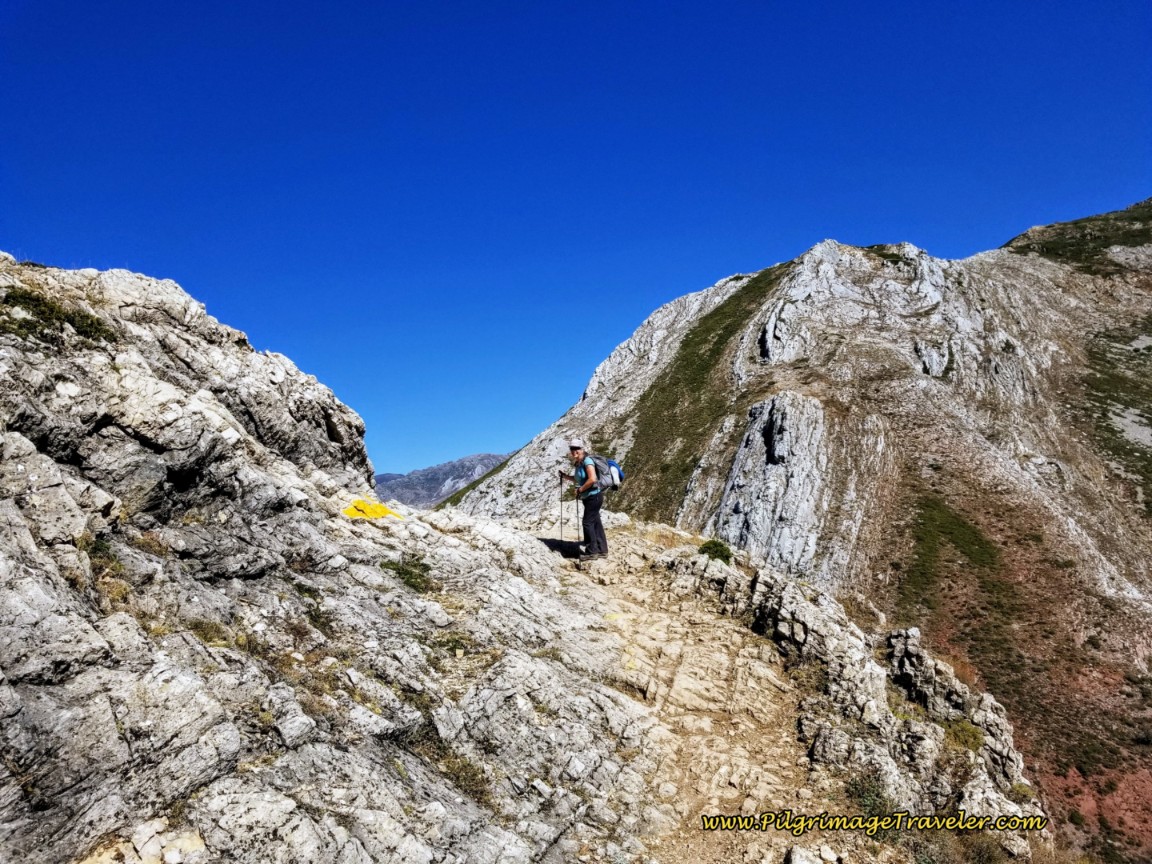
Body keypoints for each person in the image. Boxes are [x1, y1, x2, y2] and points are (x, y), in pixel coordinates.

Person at [559, 438, 608, 561]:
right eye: (572, 449)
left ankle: (592, 552)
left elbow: (592, 479)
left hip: (594, 496)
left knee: (587, 523)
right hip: (589, 497)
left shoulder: (587, 461)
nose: (574, 451)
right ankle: (602, 550)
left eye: (576, 448)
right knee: (595, 522)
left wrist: (580, 490)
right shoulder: (579, 463)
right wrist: (565, 476)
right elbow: (579, 479)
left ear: (582, 449)